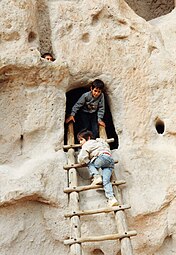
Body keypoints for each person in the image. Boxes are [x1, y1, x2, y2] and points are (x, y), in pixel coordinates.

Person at [77, 129, 118, 207]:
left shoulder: (88, 143)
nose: (80, 142)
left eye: (81, 139)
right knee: (106, 181)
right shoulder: (100, 142)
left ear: (88, 138)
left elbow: (82, 157)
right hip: (110, 161)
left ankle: (96, 177)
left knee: (88, 163)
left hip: (101, 158)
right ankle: (111, 199)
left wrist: (82, 161)